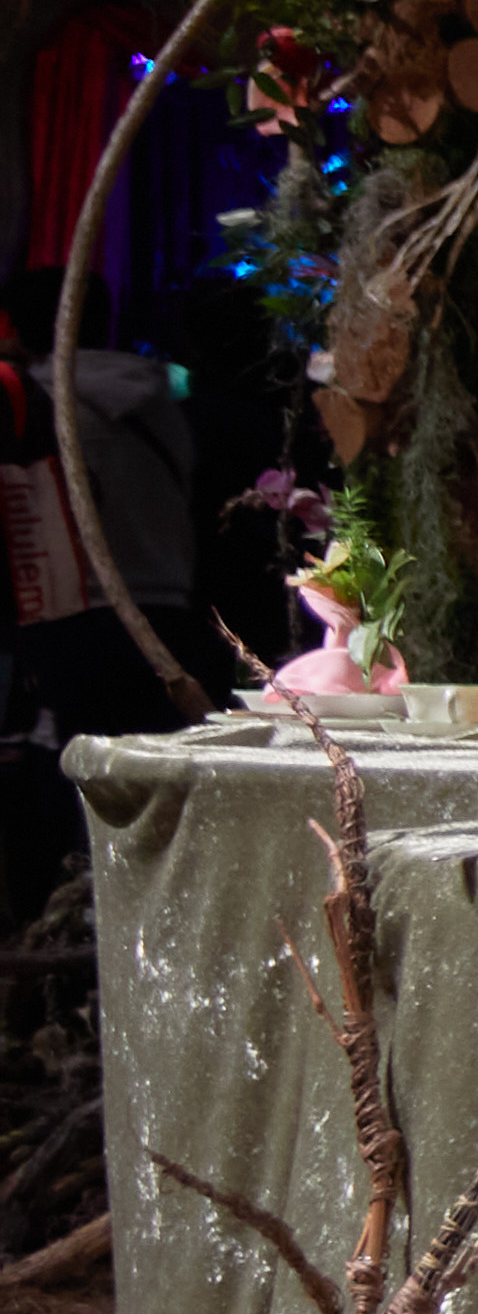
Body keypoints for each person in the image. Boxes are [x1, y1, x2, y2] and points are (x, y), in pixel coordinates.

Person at [4, 271, 207, 900]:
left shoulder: (31, 405)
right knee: (157, 795)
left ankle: (71, 941)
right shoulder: (161, 400)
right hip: (168, 613)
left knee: (75, 798)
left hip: (79, 617)